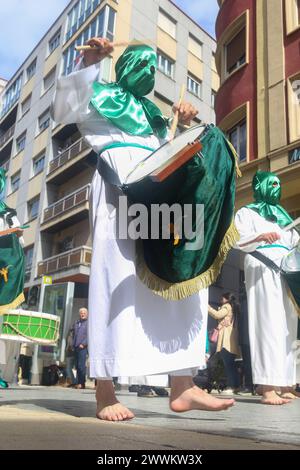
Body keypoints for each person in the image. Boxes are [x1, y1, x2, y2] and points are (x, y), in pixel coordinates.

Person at [51, 37, 236, 421]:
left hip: (158, 191)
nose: (151, 72)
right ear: (126, 65)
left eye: (155, 67)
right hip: (119, 189)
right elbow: (63, 108)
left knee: (179, 277)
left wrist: (182, 125)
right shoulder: (100, 94)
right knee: (116, 277)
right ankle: (104, 389)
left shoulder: (154, 112)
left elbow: (164, 153)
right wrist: (89, 61)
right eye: (144, 64)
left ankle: (183, 386)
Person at [235, 171, 300, 404]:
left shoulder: (284, 217)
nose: (277, 186)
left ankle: (285, 383)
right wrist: (260, 235)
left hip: (286, 272)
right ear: (260, 186)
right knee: (267, 322)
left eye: (279, 183)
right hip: (263, 267)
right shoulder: (247, 212)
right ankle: (267, 385)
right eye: (272, 183)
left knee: (288, 327)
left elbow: (293, 245)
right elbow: (236, 239)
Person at [208, 293, 240, 394]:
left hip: (226, 340)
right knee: (231, 364)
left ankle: (231, 386)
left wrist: (207, 306)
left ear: (226, 299)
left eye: (222, 297)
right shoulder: (233, 308)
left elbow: (217, 315)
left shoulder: (226, 306)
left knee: (228, 365)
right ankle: (236, 385)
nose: (220, 299)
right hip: (231, 340)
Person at [73, 308, 88, 389]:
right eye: (81, 313)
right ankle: (79, 382)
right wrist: (72, 345)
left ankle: (82, 383)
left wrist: (84, 344)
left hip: (83, 347)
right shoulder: (76, 323)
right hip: (76, 347)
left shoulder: (88, 323)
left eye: (84, 313)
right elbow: (74, 335)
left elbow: (89, 335)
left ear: (87, 314)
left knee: (81, 366)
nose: (83, 314)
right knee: (77, 366)